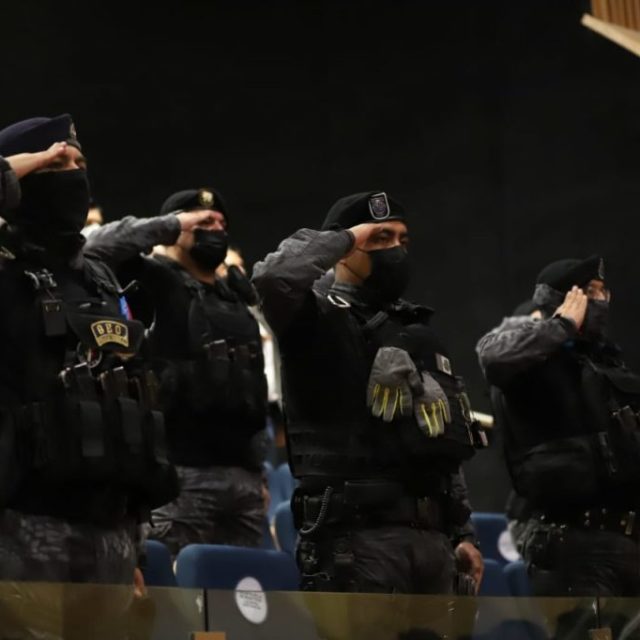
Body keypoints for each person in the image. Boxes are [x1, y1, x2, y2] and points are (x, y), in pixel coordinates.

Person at [253, 190, 485, 594]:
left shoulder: (413, 329)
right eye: (380, 238)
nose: (395, 249)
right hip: (355, 542)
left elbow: (439, 441)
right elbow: (273, 277)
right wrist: (348, 236)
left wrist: (462, 532)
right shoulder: (313, 314)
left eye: (402, 239)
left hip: (432, 543)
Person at [0, 114, 177, 583]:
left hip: (110, 533)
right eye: (56, 165)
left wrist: (135, 549)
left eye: (80, 163)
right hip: (21, 530)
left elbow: (128, 409)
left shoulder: (97, 277)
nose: (75, 174)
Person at [85, 188, 269, 555]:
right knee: (179, 587)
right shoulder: (155, 279)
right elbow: (95, 248)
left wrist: (259, 474)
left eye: (221, 223)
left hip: (244, 479)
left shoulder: (233, 294)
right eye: (203, 222)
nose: (215, 229)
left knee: (244, 588)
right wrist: (171, 225)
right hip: (180, 475)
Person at [477, 255, 640, 596]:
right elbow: (492, 356)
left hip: (627, 541)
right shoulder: (532, 363)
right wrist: (562, 324)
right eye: (588, 292)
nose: (599, 300)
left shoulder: (607, 363)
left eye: (602, 292)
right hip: (574, 544)